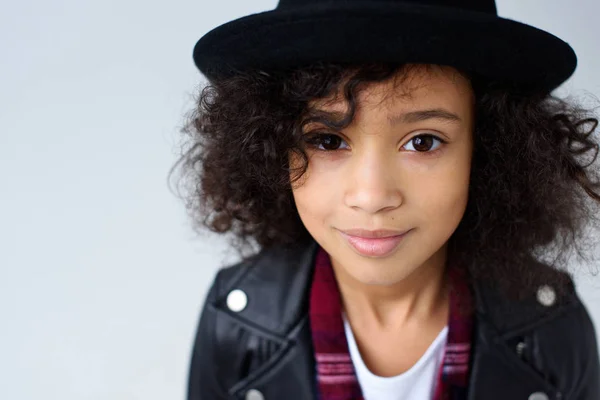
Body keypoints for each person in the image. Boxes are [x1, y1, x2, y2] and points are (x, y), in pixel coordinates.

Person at [171, 0, 600, 399]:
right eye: (327, 140)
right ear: (271, 150)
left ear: (487, 152)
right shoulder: (236, 322)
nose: (373, 197)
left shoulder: (551, 325)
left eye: (423, 142)